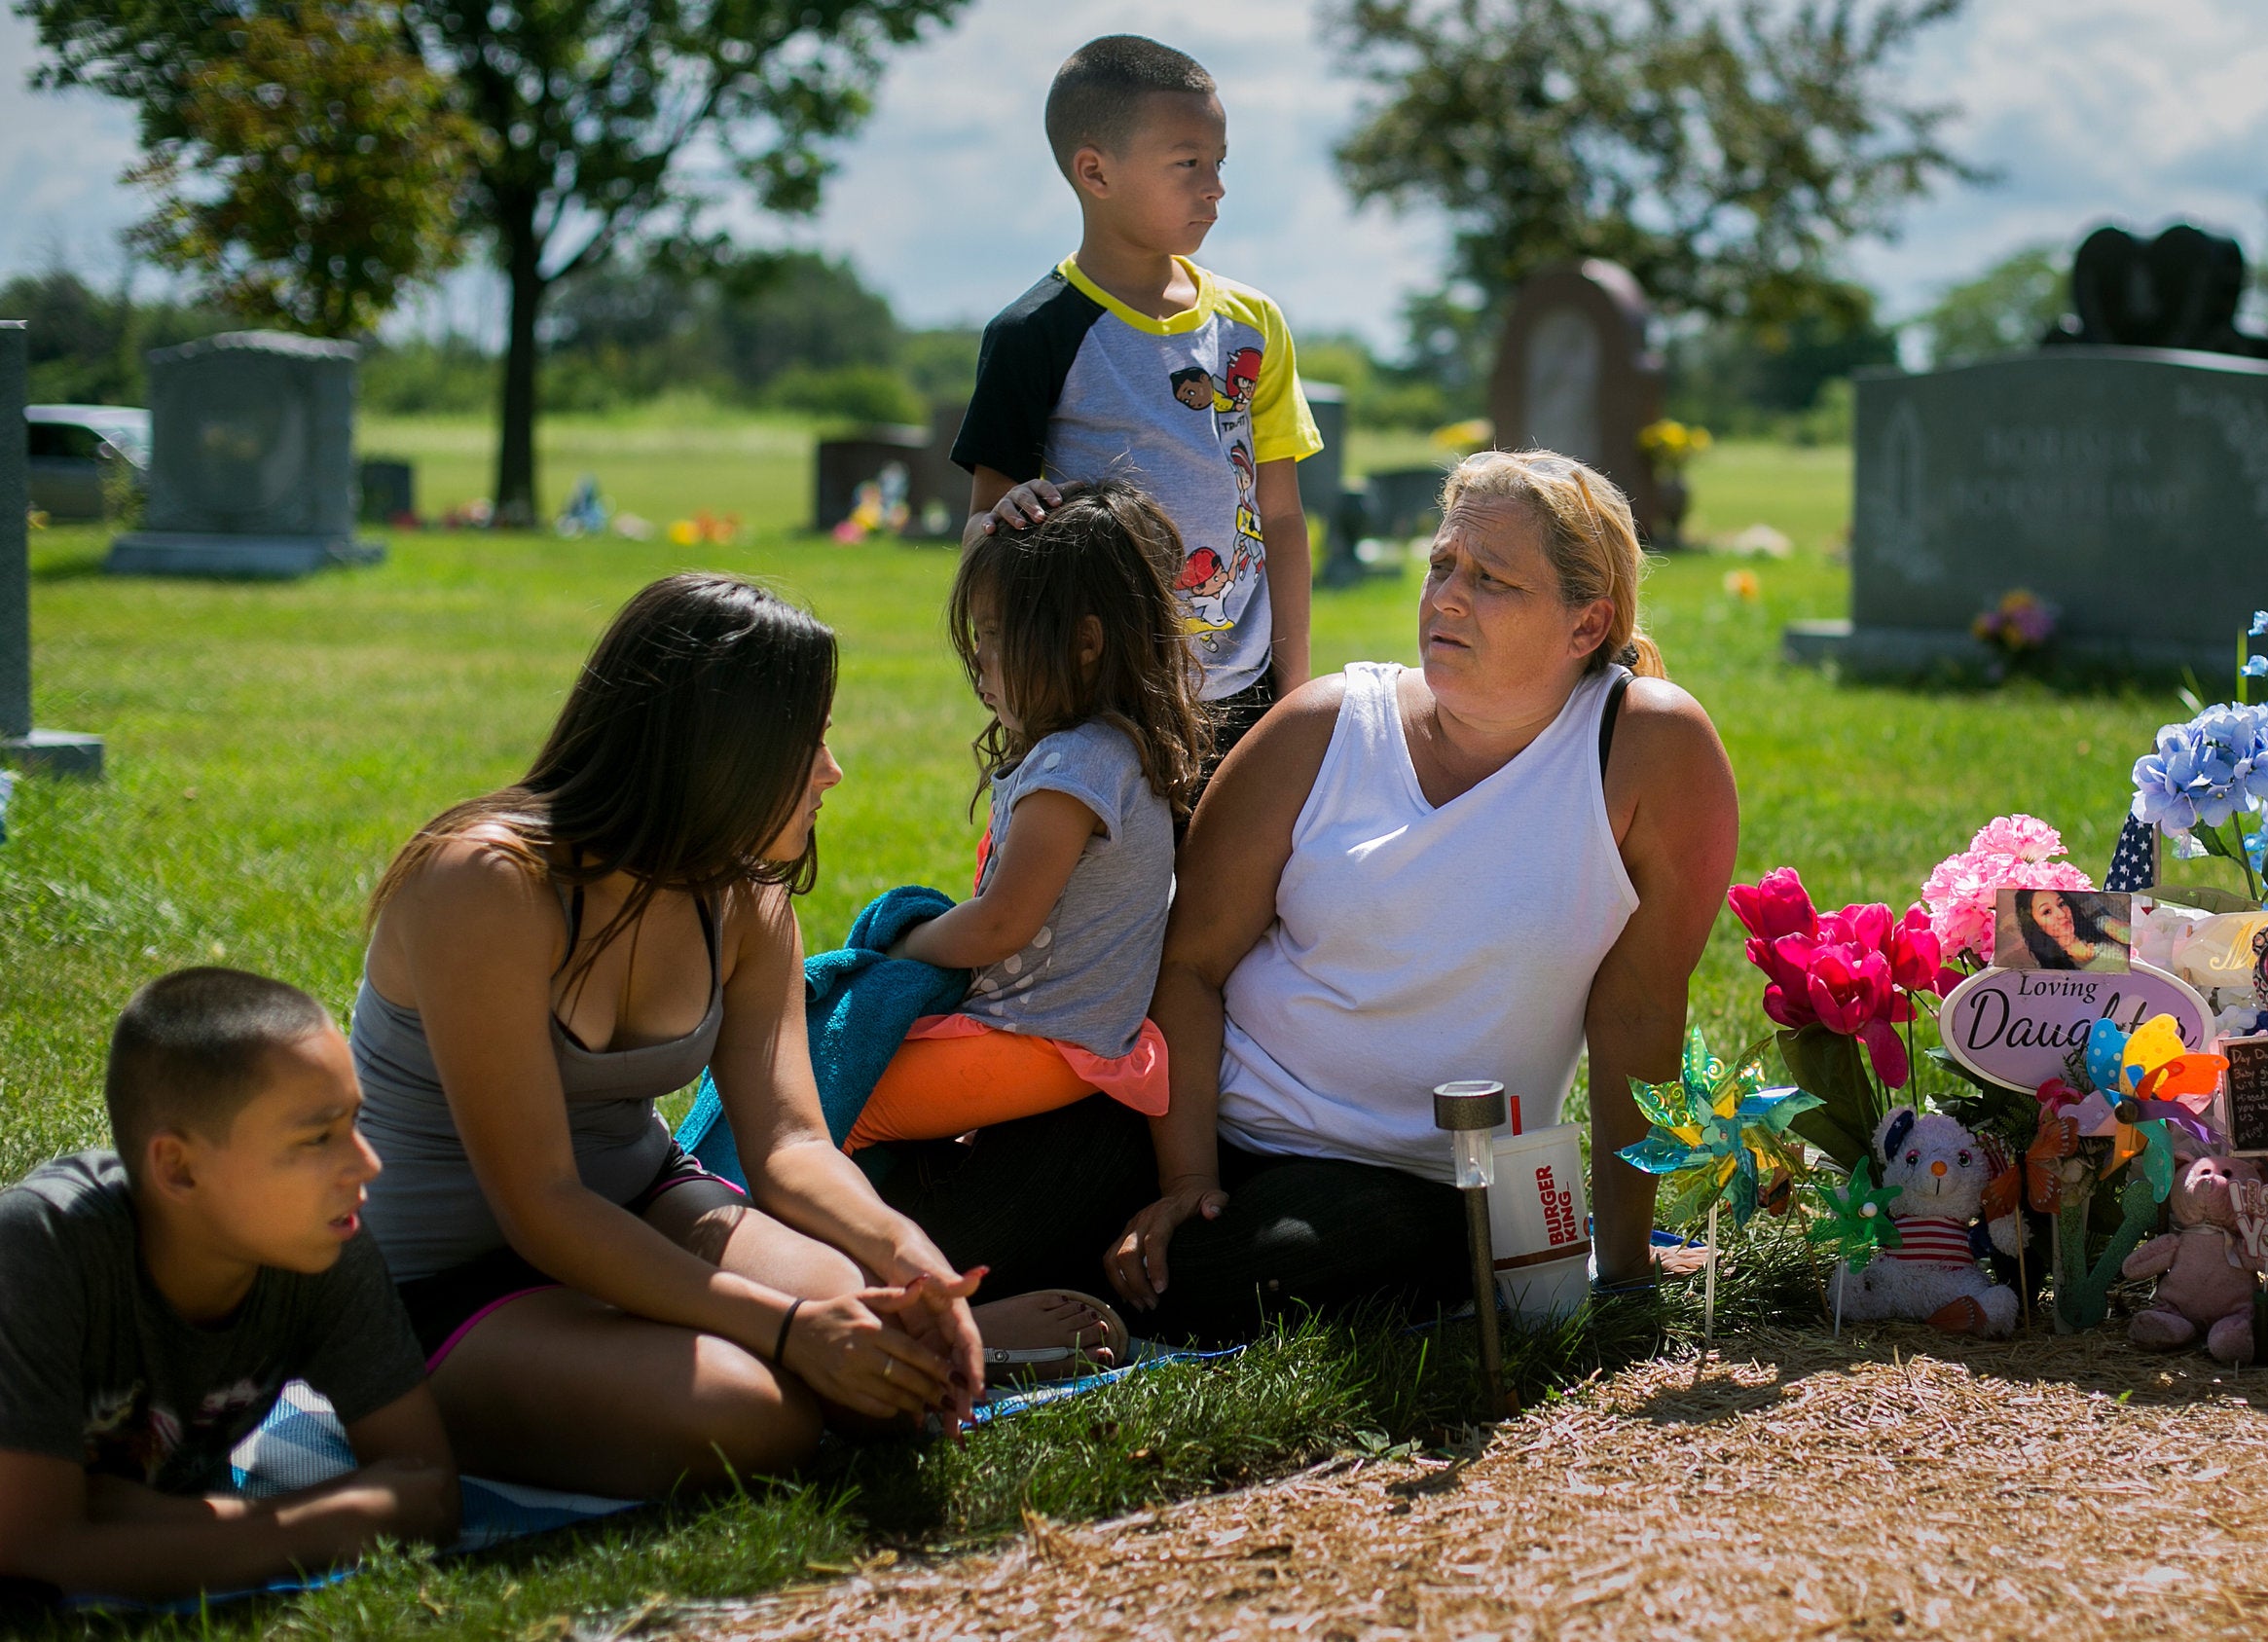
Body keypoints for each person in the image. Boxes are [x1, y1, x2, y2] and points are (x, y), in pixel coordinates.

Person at [352, 573, 1111, 1500]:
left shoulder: (743, 897)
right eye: (810, 741)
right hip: (451, 1277)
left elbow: (790, 1142)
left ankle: (931, 1335)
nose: (832, 771)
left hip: (646, 1202)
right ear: (717, 747)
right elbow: (541, 1203)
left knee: (864, 1354)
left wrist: (910, 1256)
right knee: (758, 1415)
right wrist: (789, 1333)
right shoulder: (484, 885)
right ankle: (844, 1353)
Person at [1107, 451, 1740, 1340]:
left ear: (1585, 623)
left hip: (1421, 1186)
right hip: (1200, 1130)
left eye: (1491, 580)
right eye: (1442, 563)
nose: (1446, 595)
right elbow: (1190, 964)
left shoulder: (1646, 750)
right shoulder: (1321, 726)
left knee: (1262, 1270)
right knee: (989, 1202)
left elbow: (1638, 1012)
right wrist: (1185, 1179)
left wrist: (1625, 1271)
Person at [0, 969, 457, 1601]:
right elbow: (31, 1549)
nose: (367, 1162)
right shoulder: (39, 1250)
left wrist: (146, 1516)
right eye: (317, 1137)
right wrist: (316, 1524)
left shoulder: (321, 1244)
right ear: (179, 1168)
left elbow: (427, 1490)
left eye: (356, 1121)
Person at [846, 483, 1198, 1289]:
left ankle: (884, 1292)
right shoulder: (1105, 748)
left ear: (1084, 643)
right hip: (1052, 1039)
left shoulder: (1075, 765)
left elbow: (1001, 923)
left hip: (1046, 1047)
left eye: (1000, 638)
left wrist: (903, 941)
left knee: (832, 1101)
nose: (981, 662)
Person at [952, 33, 1321, 768]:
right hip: (1098, 701)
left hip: (1242, 696)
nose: (1213, 186)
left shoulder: (1253, 323)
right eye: (1187, 164)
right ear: (1095, 171)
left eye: (1219, 164)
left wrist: (1292, 691)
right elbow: (983, 529)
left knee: (1241, 886)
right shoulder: (1034, 334)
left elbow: (1280, 516)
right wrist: (1008, 521)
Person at [2017, 888, 2128, 973]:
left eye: (2061, 904)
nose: (2062, 914)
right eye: (2047, 912)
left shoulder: (2100, 924)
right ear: (2035, 924)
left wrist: (2120, 930)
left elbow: (2139, 941)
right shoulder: (2047, 968)